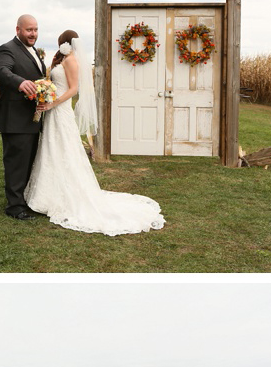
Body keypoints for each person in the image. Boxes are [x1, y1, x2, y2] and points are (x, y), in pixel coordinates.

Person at [25, 30, 166, 234]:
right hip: (53, 111)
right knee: (52, 148)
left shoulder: (72, 61)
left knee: (64, 149)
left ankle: (65, 195)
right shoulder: (64, 59)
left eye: (60, 43)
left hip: (60, 110)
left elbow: (73, 89)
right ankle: (47, 194)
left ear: (66, 43)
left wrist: (52, 103)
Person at [0, 15, 47, 220]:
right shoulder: (7, 49)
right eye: (29, 30)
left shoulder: (32, 50)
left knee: (28, 161)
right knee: (16, 163)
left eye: (35, 29)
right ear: (18, 29)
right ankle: (14, 206)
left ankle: (25, 200)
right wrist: (19, 82)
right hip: (15, 119)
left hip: (31, 118)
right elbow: (1, 71)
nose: (33, 34)